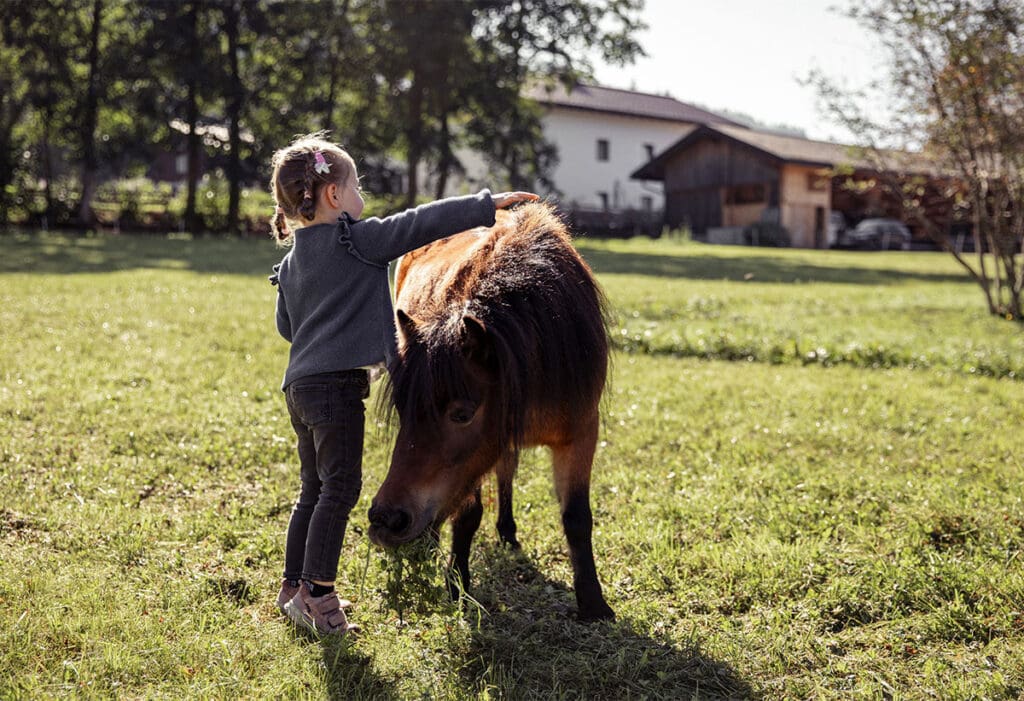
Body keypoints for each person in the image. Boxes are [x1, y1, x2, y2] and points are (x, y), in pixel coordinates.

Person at [268, 133, 538, 635]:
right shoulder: (357, 239)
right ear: (332, 196)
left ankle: (291, 587)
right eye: (355, 187)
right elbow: (419, 223)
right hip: (336, 391)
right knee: (340, 489)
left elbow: (287, 328)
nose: (360, 198)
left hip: (298, 389)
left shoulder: (287, 265)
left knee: (311, 490)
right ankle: (320, 599)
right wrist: (486, 205)